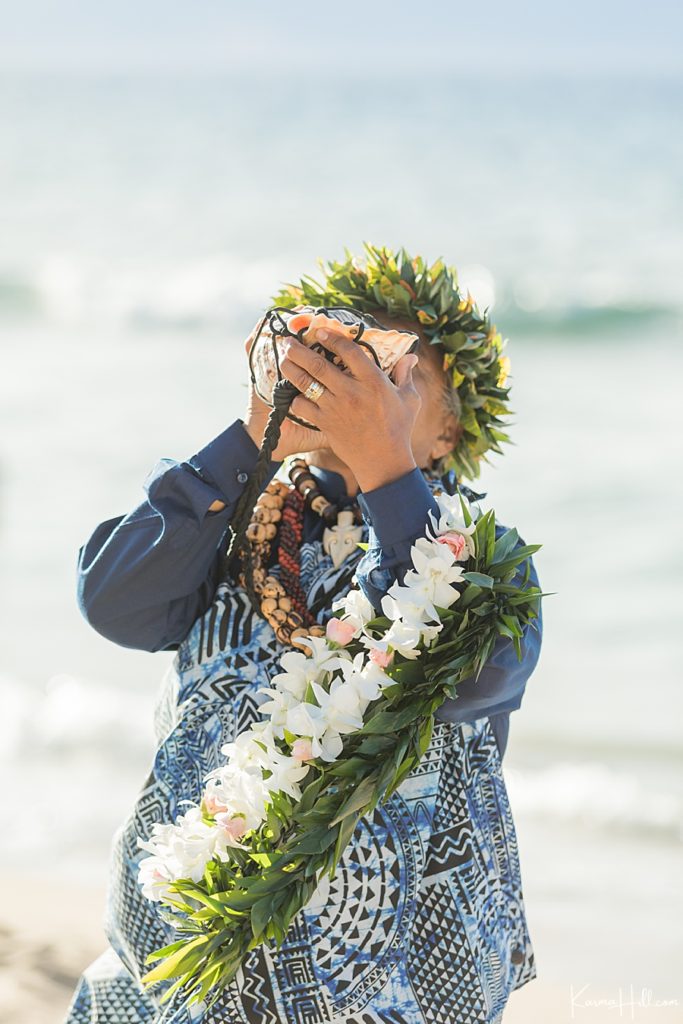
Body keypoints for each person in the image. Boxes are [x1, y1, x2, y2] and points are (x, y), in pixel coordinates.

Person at [65, 250, 543, 1024]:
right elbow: (114, 604)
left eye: (398, 371)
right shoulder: (235, 529)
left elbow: (458, 666)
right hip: (181, 965)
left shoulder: (489, 565)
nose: (360, 383)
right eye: (338, 355)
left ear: (449, 431)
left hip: (388, 985)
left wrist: (383, 462)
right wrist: (255, 432)